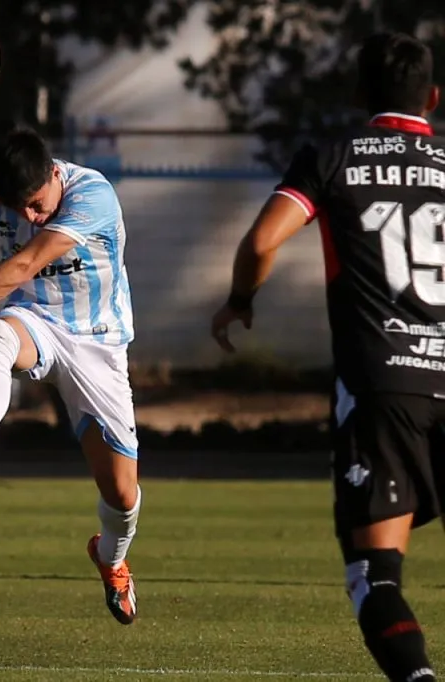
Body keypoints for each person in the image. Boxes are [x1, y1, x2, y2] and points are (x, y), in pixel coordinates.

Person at [210, 32, 443, 682]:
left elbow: (262, 241)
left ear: (360, 95)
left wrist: (239, 301)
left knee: (375, 573)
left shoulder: (335, 157)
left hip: (382, 384)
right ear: (432, 97)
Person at [0, 127, 142, 626]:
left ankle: (110, 558)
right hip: (34, 320)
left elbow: (25, 263)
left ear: (53, 176)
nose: (29, 217)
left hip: (96, 340)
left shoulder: (93, 193)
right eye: (19, 209)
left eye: (37, 205)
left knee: (122, 495)